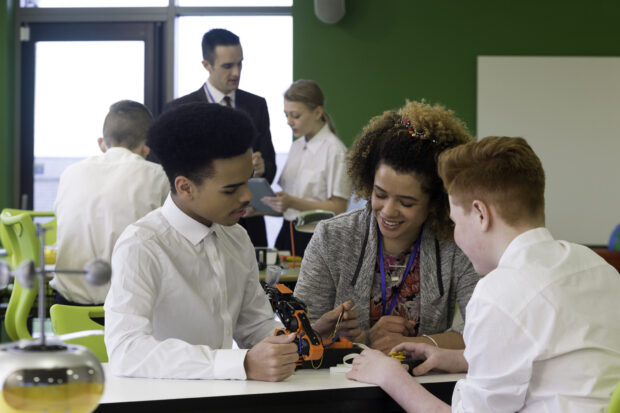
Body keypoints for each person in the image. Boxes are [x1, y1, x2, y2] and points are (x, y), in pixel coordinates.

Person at [347, 136, 620, 412]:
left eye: (455, 221)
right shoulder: (595, 266)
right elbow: (555, 357)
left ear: (480, 214)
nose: (454, 234)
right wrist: (459, 358)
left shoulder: (499, 293)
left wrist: (389, 376)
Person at [104, 102, 345, 381]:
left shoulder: (236, 236)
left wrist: (305, 336)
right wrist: (239, 365)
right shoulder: (142, 245)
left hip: (224, 398)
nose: (246, 197)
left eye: (248, 181)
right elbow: (126, 350)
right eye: (231, 189)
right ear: (185, 187)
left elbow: (254, 328)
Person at [294, 100, 480, 353]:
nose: (389, 211)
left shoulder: (456, 244)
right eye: (380, 194)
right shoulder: (332, 237)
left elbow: (480, 331)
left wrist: (414, 344)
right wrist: (357, 341)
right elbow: (300, 332)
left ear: (435, 202)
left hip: (424, 384)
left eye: (406, 202)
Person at [163, 28, 276, 249]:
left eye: (240, 64)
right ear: (206, 65)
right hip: (197, 226)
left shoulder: (257, 106)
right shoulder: (180, 110)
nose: (236, 72)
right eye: (227, 66)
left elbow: (271, 167)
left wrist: (262, 169)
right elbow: (170, 175)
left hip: (248, 226)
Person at [52, 100, 169, 306]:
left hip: (66, 308)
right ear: (147, 146)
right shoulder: (157, 177)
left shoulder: (70, 174)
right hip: (130, 311)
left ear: (102, 143)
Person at [261, 79, 351, 257]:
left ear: (317, 112)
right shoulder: (296, 146)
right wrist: (258, 208)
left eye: (295, 116)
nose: (289, 121)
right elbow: (288, 208)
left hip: (316, 238)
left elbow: (339, 208)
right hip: (287, 234)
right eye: (286, 115)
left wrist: (293, 202)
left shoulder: (335, 151)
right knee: (279, 285)